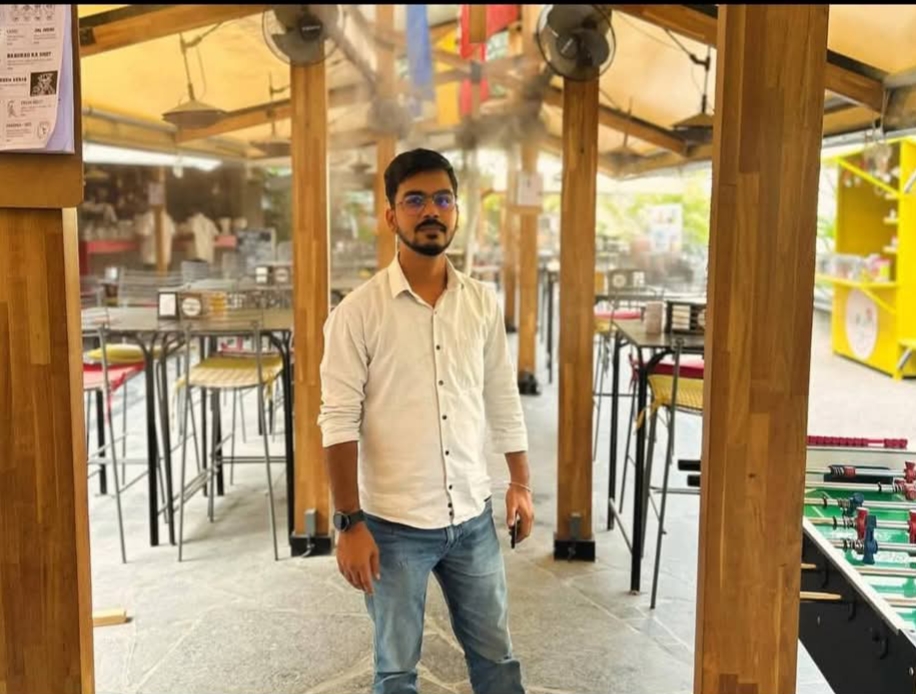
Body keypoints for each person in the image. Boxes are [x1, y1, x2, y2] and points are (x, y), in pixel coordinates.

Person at [318, 149, 533, 694]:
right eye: (414, 200)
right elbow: (338, 421)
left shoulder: (481, 303)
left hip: (472, 517)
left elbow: (501, 394)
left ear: (457, 211)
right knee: (395, 673)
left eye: (443, 199)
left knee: (498, 660)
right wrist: (349, 523)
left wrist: (521, 483)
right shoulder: (357, 313)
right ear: (391, 215)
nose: (431, 211)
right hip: (392, 525)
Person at [135, 200, 175, 270]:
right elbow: (173, 234)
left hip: (151, 259)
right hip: (166, 259)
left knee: (151, 277)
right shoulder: (168, 218)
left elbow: (142, 235)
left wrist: (135, 234)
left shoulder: (148, 217)